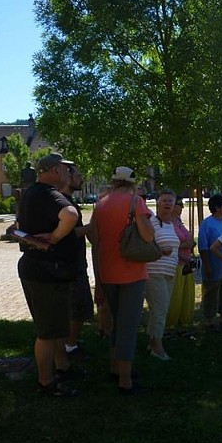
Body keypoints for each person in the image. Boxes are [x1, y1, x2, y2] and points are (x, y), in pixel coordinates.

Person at [16, 152, 82, 396]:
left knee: (55, 326)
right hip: (46, 271)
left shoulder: (31, 193)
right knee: (46, 331)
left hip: (37, 267)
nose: (67, 173)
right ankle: (46, 382)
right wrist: (55, 237)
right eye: (65, 169)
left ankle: (62, 366)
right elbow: (70, 215)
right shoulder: (48, 194)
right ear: (55, 171)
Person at [91, 166, 154, 395]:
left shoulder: (100, 204)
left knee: (117, 322)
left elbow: (95, 241)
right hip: (131, 272)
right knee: (128, 326)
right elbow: (148, 236)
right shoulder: (135, 202)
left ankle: (115, 367)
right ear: (132, 183)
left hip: (107, 272)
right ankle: (125, 381)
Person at [60, 164, 94, 361]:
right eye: (78, 176)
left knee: (79, 307)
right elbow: (69, 234)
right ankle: (69, 346)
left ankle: (70, 342)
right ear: (68, 177)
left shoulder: (69, 201)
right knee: (77, 307)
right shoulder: (63, 202)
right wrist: (92, 226)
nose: (81, 179)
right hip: (70, 264)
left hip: (77, 261)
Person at [144, 189, 181, 361]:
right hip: (154, 272)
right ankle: (158, 347)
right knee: (160, 310)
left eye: (170, 201)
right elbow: (144, 244)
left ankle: (151, 342)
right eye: (164, 200)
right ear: (157, 203)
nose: (167, 203)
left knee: (158, 310)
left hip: (169, 272)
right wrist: (160, 251)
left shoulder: (171, 224)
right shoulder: (151, 222)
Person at [198, 195, 222, 332]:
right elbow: (203, 246)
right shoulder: (207, 223)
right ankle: (209, 320)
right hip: (212, 266)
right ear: (217, 207)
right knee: (211, 294)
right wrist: (207, 265)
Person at [165, 197, 196, 336]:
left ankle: (182, 325)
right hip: (175, 264)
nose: (182, 207)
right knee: (174, 296)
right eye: (179, 205)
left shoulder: (178, 221)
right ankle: (168, 326)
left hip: (186, 264)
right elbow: (168, 245)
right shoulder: (167, 223)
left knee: (185, 296)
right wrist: (186, 245)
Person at [90, 184, 113, 338]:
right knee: (101, 291)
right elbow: (91, 234)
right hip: (100, 255)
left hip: (112, 257)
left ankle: (108, 327)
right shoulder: (97, 213)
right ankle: (103, 327)